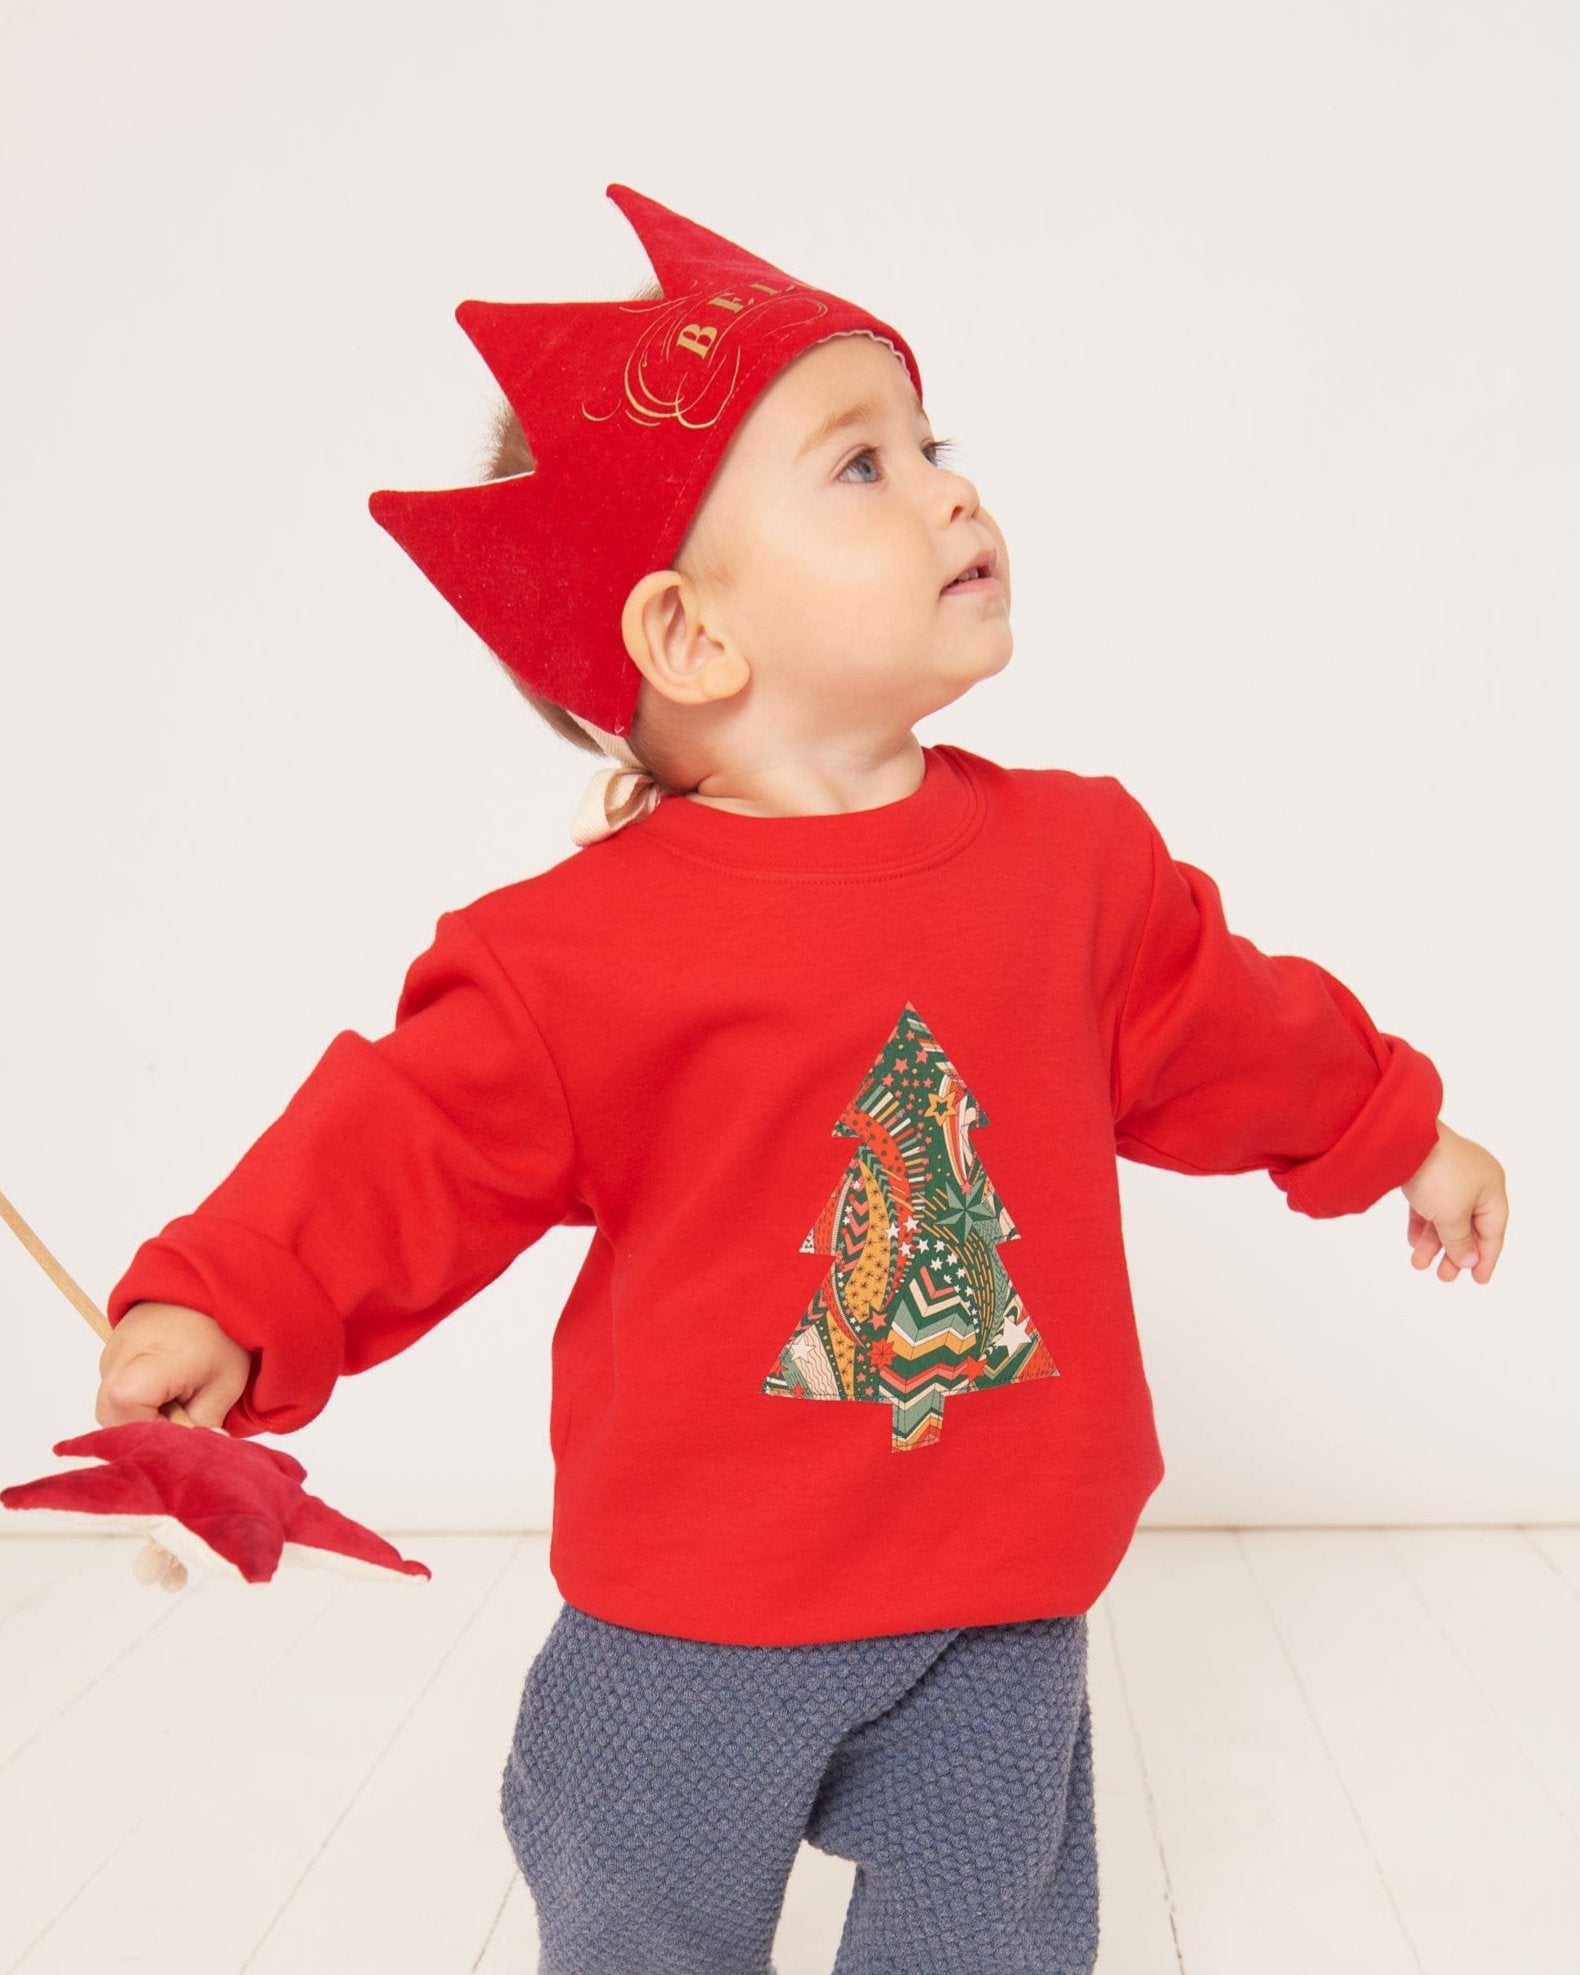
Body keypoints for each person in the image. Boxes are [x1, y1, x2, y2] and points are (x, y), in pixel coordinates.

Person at [90, 184, 1509, 1975]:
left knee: (987, 1935)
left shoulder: (1077, 868)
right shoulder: (569, 959)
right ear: (690, 635)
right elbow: (403, 1142)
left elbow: (1234, 1027)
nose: (949, 490)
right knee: (640, 1914)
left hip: (1001, 1591)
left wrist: (1397, 1129)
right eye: (861, 466)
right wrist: (224, 1303)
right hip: (692, 1615)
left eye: (936, 444)